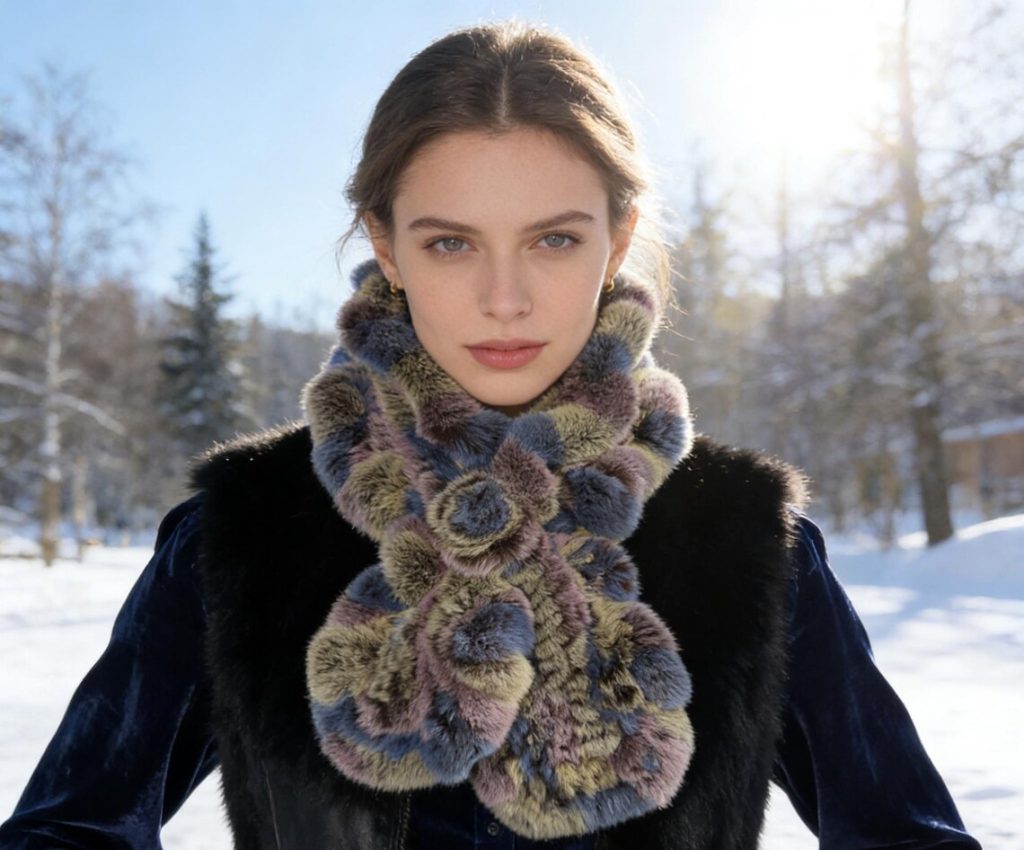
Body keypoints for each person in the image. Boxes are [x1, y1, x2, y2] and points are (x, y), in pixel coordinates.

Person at [0, 22, 980, 850]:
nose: (503, 298)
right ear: (386, 245)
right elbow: (67, 829)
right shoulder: (240, 533)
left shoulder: (748, 540)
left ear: (617, 239)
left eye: (553, 239)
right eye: (450, 242)